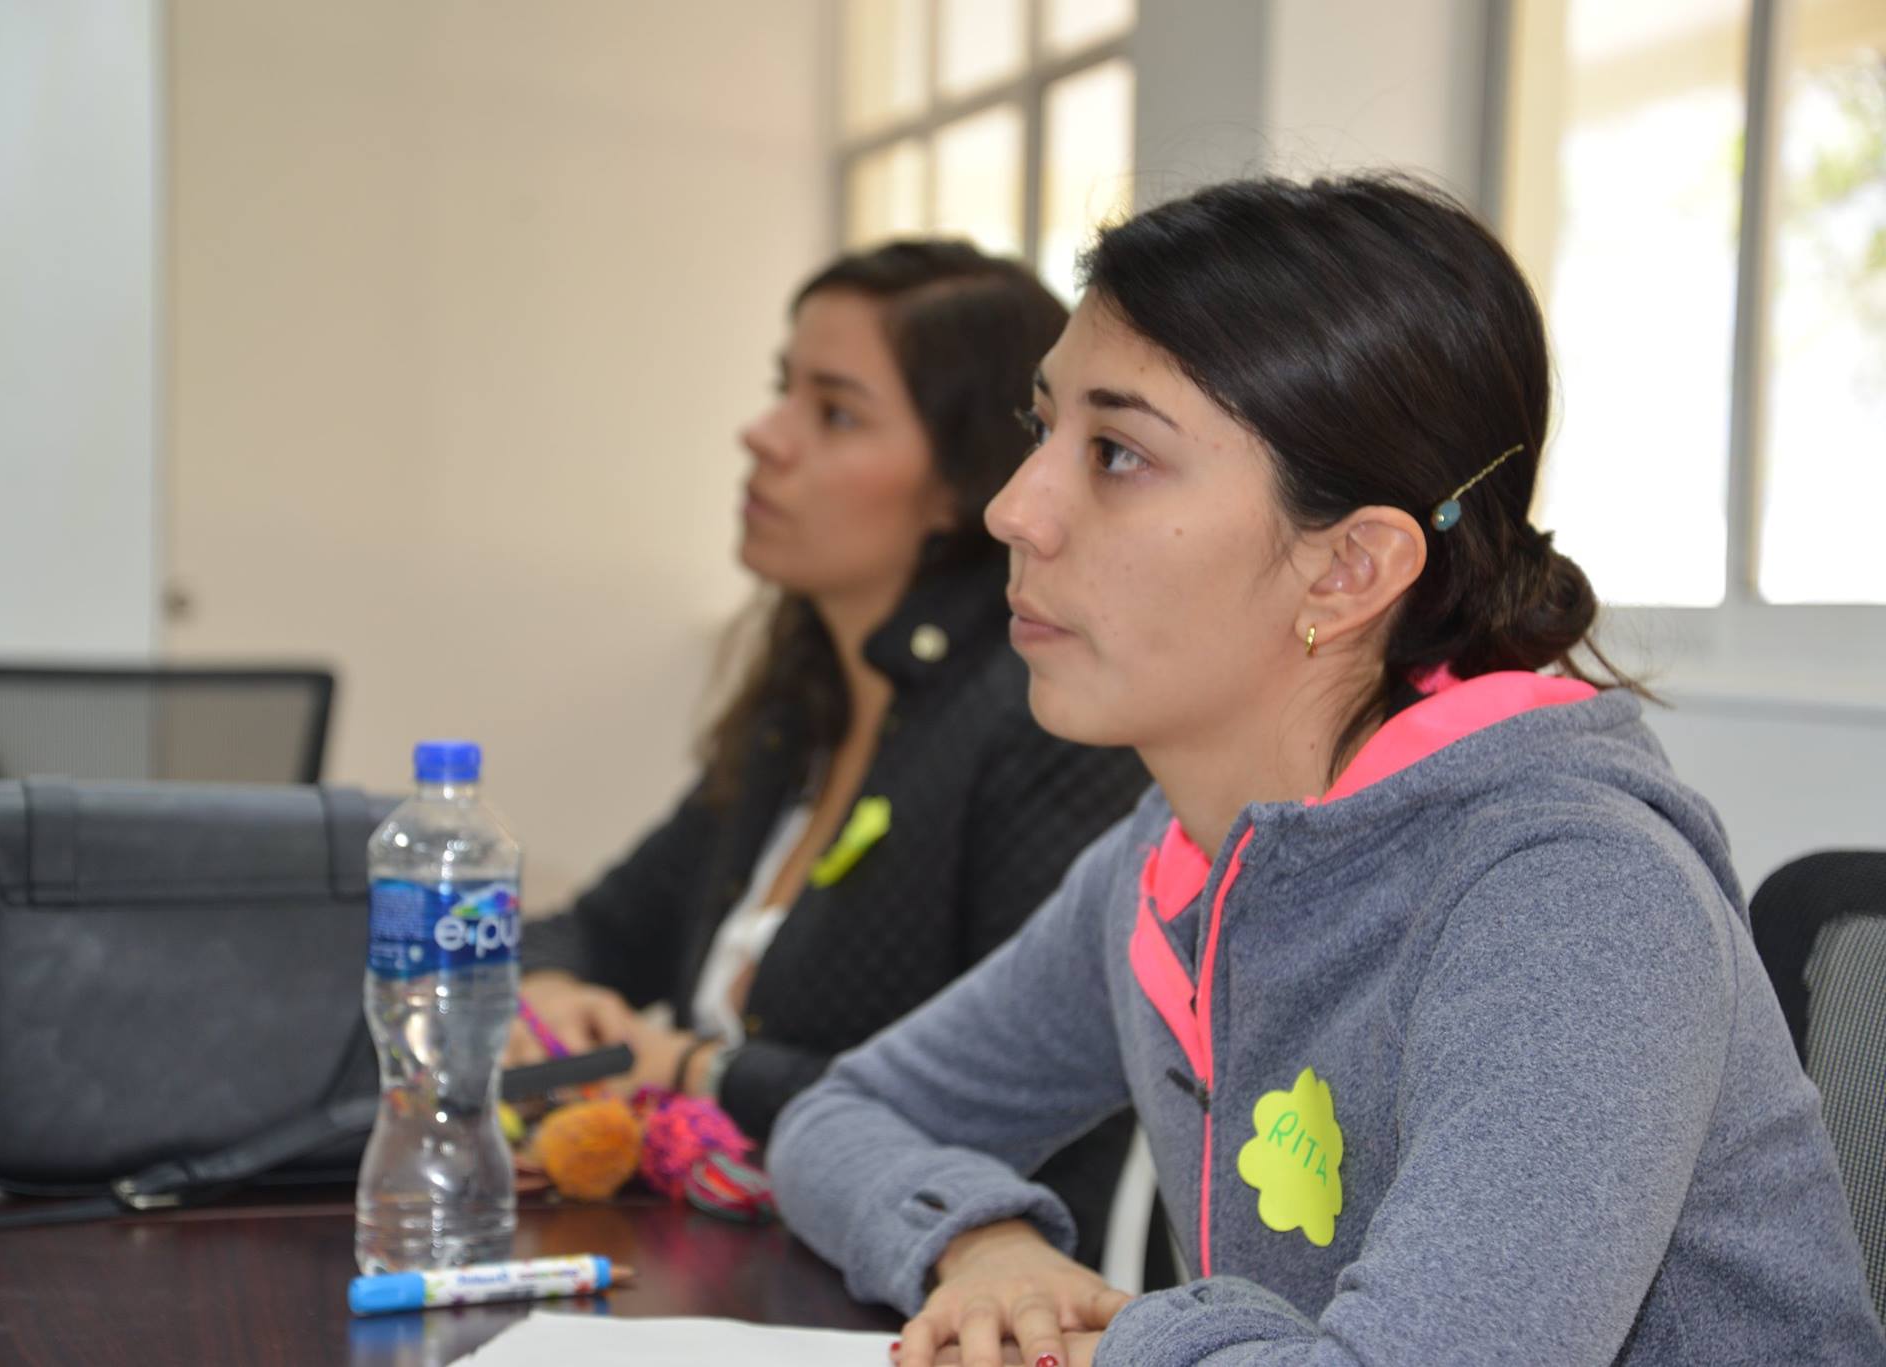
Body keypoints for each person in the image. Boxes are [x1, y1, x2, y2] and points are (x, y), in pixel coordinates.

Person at [768, 176, 1886, 1366]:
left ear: (1348, 569)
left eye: (1116, 452)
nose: (1012, 509)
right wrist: (986, 1243)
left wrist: (1124, 1339)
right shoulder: (1169, 857)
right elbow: (844, 1114)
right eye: (1041, 430)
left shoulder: (1574, 896)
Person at [516, 240, 1149, 1258]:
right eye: (782, 389)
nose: (762, 435)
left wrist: (677, 1063)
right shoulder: (799, 708)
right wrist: (551, 997)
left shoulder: (1034, 725)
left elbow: (999, 1112)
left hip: (893, 1284)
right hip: (719, 1253)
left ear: (960, 486)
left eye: (834, 412)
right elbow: (586, 928)